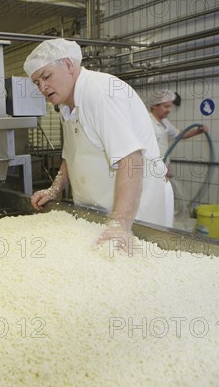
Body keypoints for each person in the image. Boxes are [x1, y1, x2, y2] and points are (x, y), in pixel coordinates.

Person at [24, 38, 174, 246]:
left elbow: (131, 159)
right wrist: (54, 189)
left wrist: (120, 224)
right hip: (99, 215)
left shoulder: (101, 93)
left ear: (69, 65)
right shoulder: (67, 105)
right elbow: (73, 156)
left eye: (46, 76)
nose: (42, 87)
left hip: (135, 216)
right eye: (37, 82)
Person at [148, 89, 208, 178]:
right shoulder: (147, 121)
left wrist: (198, 131)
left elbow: (180, 134)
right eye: (166, 106)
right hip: (149, 170)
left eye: (170, 107)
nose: (169, 110)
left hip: (162, 168)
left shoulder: (165, 122)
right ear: (155, 106)